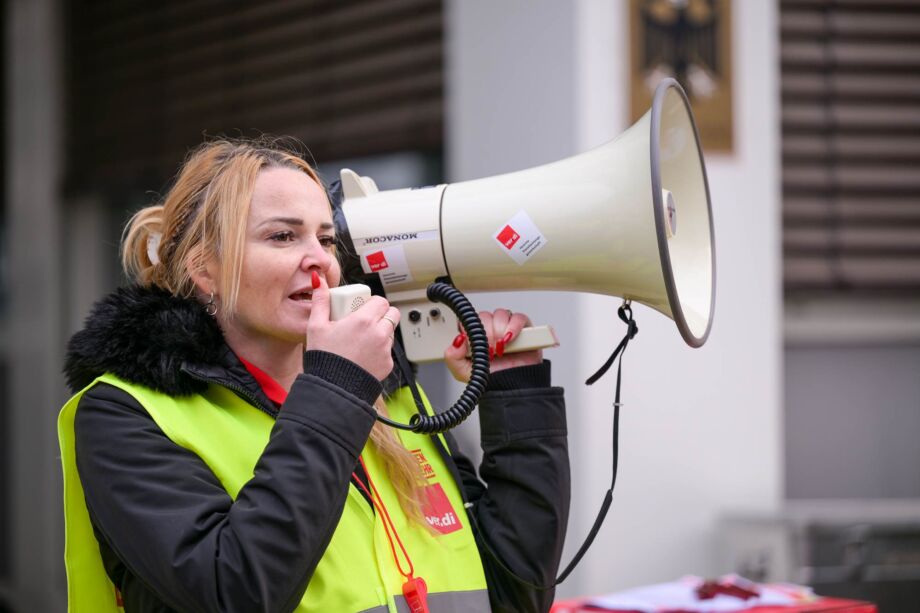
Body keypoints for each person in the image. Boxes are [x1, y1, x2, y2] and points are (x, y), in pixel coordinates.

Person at [59, 138, 570, 613]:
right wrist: (338, 388)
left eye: (326, 240)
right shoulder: (124, 414)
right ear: (204, 269)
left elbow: (516, 589)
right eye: (282, 236)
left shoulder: (384, 399)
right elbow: (234, 591)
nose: (320, 261)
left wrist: (514, 395)